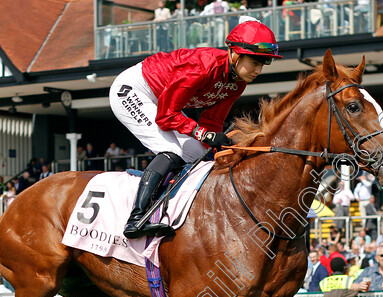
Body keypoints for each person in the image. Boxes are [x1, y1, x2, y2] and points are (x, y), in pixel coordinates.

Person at [111, 16, 281, 238]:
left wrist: (216, 143)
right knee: (172, 150)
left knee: (200, 154)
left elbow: (211, 122)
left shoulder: (238, 83)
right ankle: (137, 219)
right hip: (134, 90)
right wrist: (205, 134)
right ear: (236, 54)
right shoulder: (201, 66)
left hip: (162, 101)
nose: (259, 70)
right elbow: (166, 115)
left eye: (264, 63)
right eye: (256, 62)